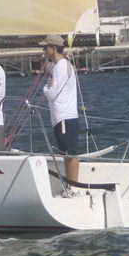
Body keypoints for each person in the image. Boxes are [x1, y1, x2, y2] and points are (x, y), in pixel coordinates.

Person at [40, 34, 82, 195]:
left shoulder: (61, 66)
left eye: (45, 48)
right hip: (62, 117)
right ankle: (71, 187)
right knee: (66, 153)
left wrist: (46, 87)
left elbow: (52, 94)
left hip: (64, 116)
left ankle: (73, 188)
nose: (44, 51)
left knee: (70, 154)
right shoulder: (61, 65)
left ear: (53, 48)